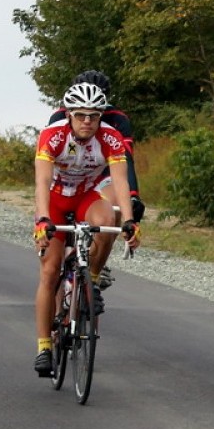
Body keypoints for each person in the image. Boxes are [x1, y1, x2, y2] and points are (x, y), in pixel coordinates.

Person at [33, 81, 141, 377]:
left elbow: (121, 182)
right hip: (55, 199)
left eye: (94, 116)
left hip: (85, 196)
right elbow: (41, 182)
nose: (87, 122)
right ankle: (44, 346)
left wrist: (130, 220)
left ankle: (90, 279)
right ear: (68, 114)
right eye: (81, 115)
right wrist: (43, 219)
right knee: (50, 271)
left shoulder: (111, 137)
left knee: (108, 221)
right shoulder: (52, 136)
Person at [48, 69, 145, 227]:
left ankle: (99, 244)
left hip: (101, 172)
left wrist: (133, 195)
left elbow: (126, 158)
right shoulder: (59, 116)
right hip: (66, 174)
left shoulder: (117, 119)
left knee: (114, 206)